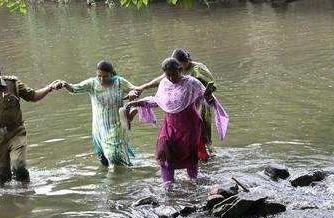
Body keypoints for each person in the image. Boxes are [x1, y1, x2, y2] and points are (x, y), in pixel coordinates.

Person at [0, 60, 66, 185]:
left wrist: (49, 88)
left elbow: (33, 96)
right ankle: (9, 198)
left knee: (18, 167)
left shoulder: (12, 84)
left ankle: (26, 192)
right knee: (1, 178)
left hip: (16, 133)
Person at [128, 57, 227, 187]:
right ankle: (168, 185)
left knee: (189, 155)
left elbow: (207, 100)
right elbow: (157, 101)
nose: (171, 78)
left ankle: (193, 182)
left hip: (190, 124)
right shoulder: (164, 83)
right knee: (163, 152)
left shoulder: (192, 83)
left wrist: (208, 96)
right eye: (168, 75)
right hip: (170, 123)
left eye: (174, 74)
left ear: (180, 69)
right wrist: (138, 102)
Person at [130, 48, 220, 148]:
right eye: (169, 75)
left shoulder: (197, 70)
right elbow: (161, 80)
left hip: (198, 105)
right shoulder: (171, 75)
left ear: (185, 62)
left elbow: (210, 86)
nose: (171, 78)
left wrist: (203, 92)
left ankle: (207, 154)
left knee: (201, 135)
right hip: (177, 110)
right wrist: (142, 87)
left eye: (179, 67)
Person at [64, 60, 137, 168]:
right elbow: (75, 88)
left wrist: (132, 92)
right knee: (104, 160)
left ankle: (122, 177)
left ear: (111, 73)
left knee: (114, 154)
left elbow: (135, 89)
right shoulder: (92, 83)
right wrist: (65, 85)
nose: (102, 79)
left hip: (116, 124)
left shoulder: (119, 82)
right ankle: (113, 178)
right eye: (99, 76)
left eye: (105, 76)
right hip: (99, 126)